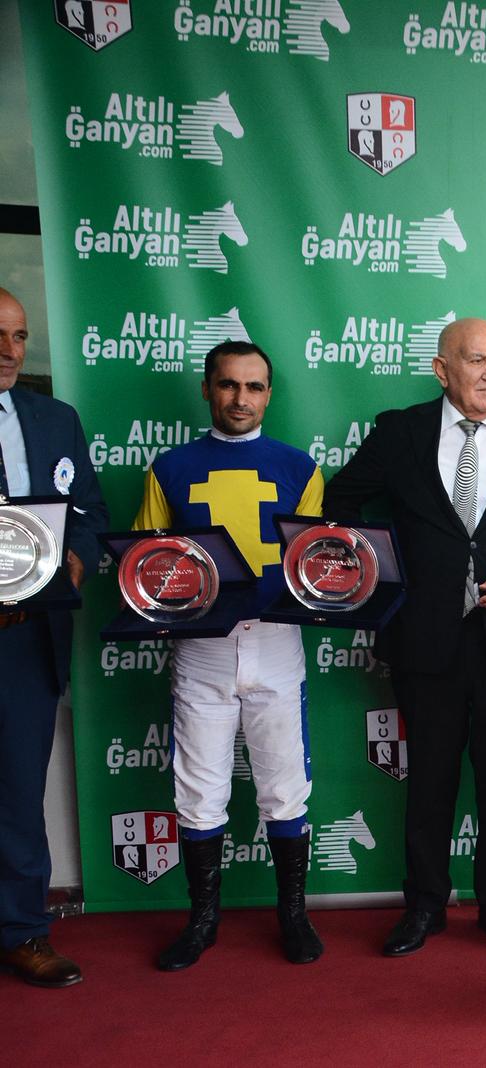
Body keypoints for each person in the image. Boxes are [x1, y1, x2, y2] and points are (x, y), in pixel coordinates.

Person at [324, 317, 486, 957]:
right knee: (429, 782)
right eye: (476, 360)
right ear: (443, 370)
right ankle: (423, 907)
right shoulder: (400, 433)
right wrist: (382, 575)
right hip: (424, 641)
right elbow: (339, 505)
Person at [132, 340, 326, 970]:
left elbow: (314, 565)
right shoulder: (169, 469)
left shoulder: (300, 468)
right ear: (207, 389)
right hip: (201, 647)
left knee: (285, 785)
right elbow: (145, 560)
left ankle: (293, 914)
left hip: (276, 641)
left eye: (254, 386)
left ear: (269, 394)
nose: (241, 399)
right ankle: (202, 920)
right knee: (199, 789)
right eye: (228, 385)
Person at [0, 287, 106, 988]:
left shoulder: (54, 419)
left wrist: (77, 555)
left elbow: (89, 511)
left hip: (26, 638)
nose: (9, 351)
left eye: (18, 336)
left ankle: (22, 931)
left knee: (16, 792)